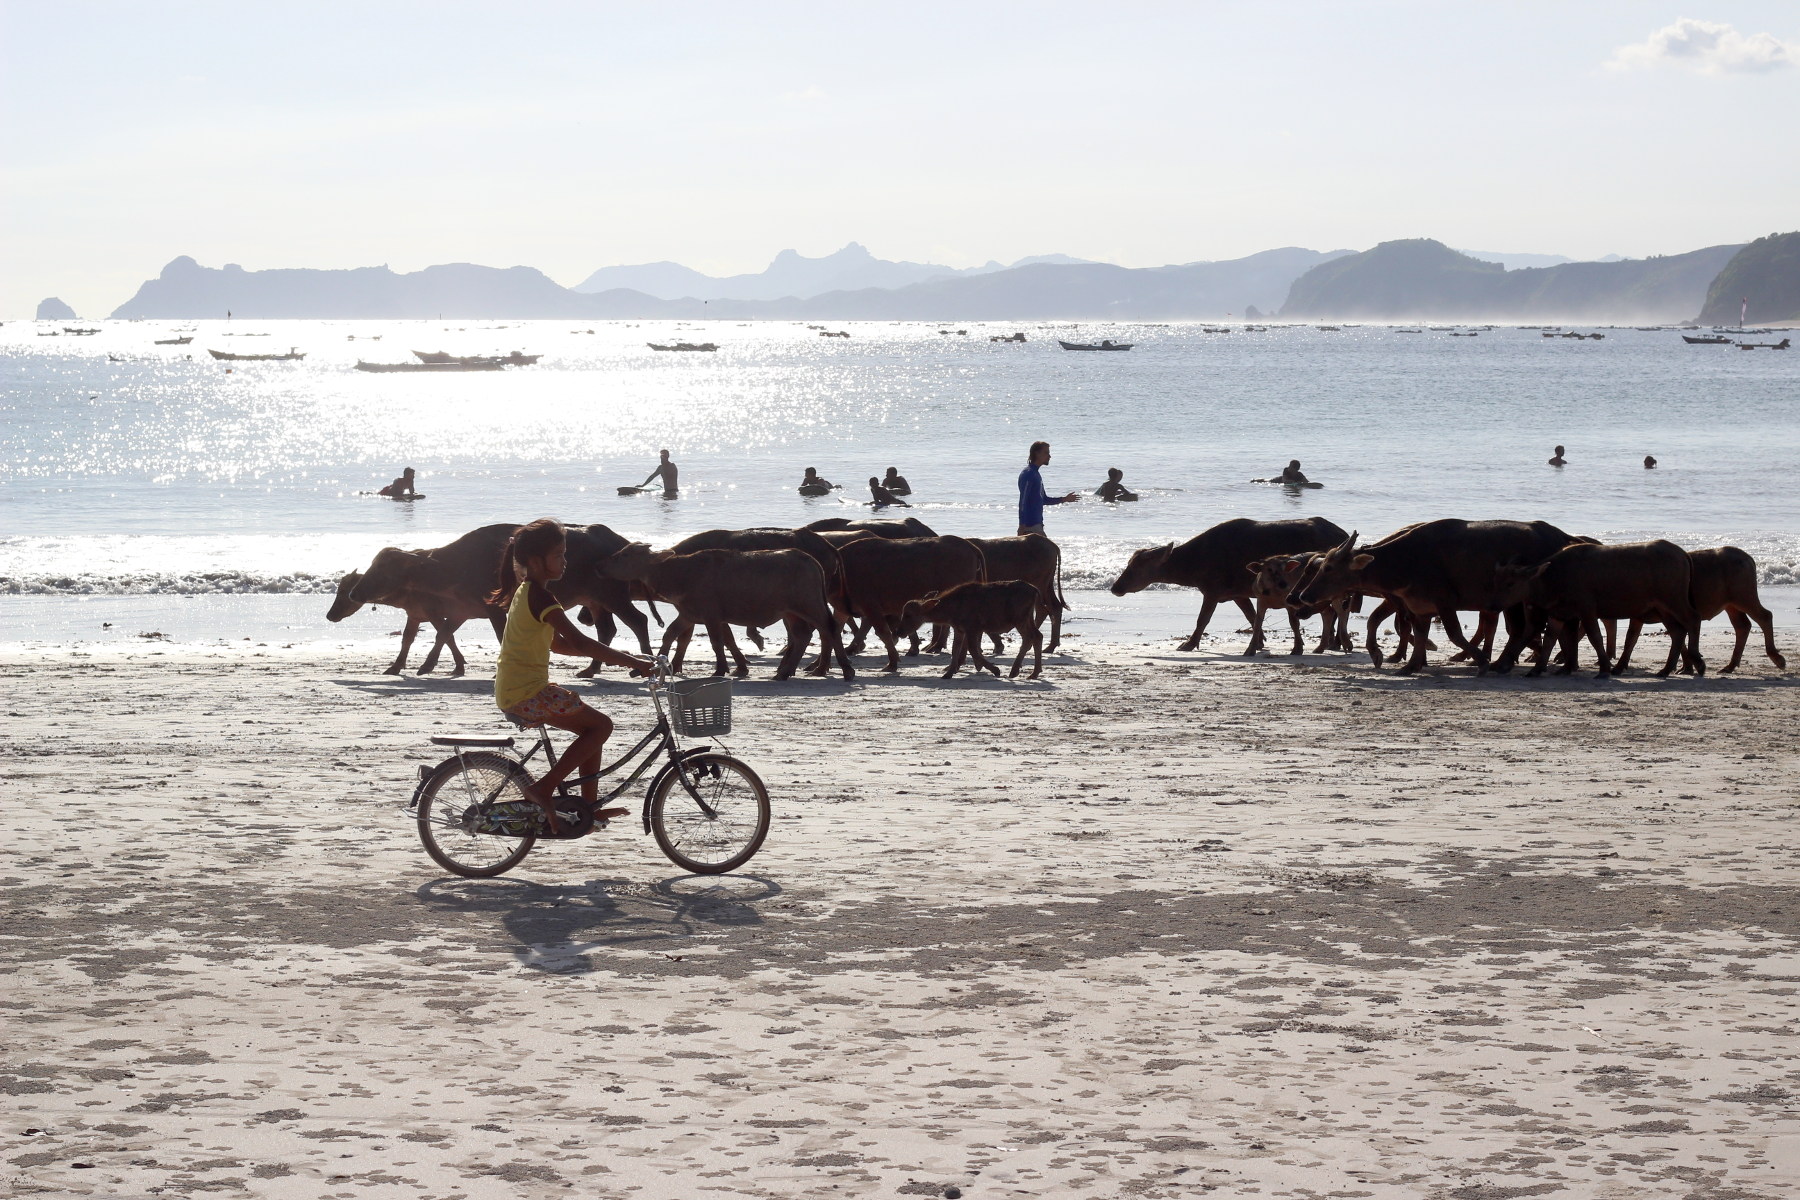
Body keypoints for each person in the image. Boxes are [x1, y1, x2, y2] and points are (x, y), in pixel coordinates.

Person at [488, 519, 655, 832]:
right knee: (601, 726)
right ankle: (543, 788)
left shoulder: (527, 593)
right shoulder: (541, 597)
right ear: (536, 562)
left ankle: (589, 809)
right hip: (526, 692)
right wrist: (632, 660)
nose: (565, 562)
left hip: (518, 688)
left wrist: (621, 659)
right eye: (558, 556)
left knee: (593, 730)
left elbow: (560, 645)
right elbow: (580, 642)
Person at [1018, 440, 1078, 535]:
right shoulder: (1028, 474)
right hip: (1030, 528)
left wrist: (1064, 499)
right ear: (1037, 454)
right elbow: (1023, 501)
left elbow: (1044, 500)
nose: (1049, 456)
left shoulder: (1036, 474)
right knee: (1052, 550)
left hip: (1038, 526)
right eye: (1046, 453)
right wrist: (1021, 526)